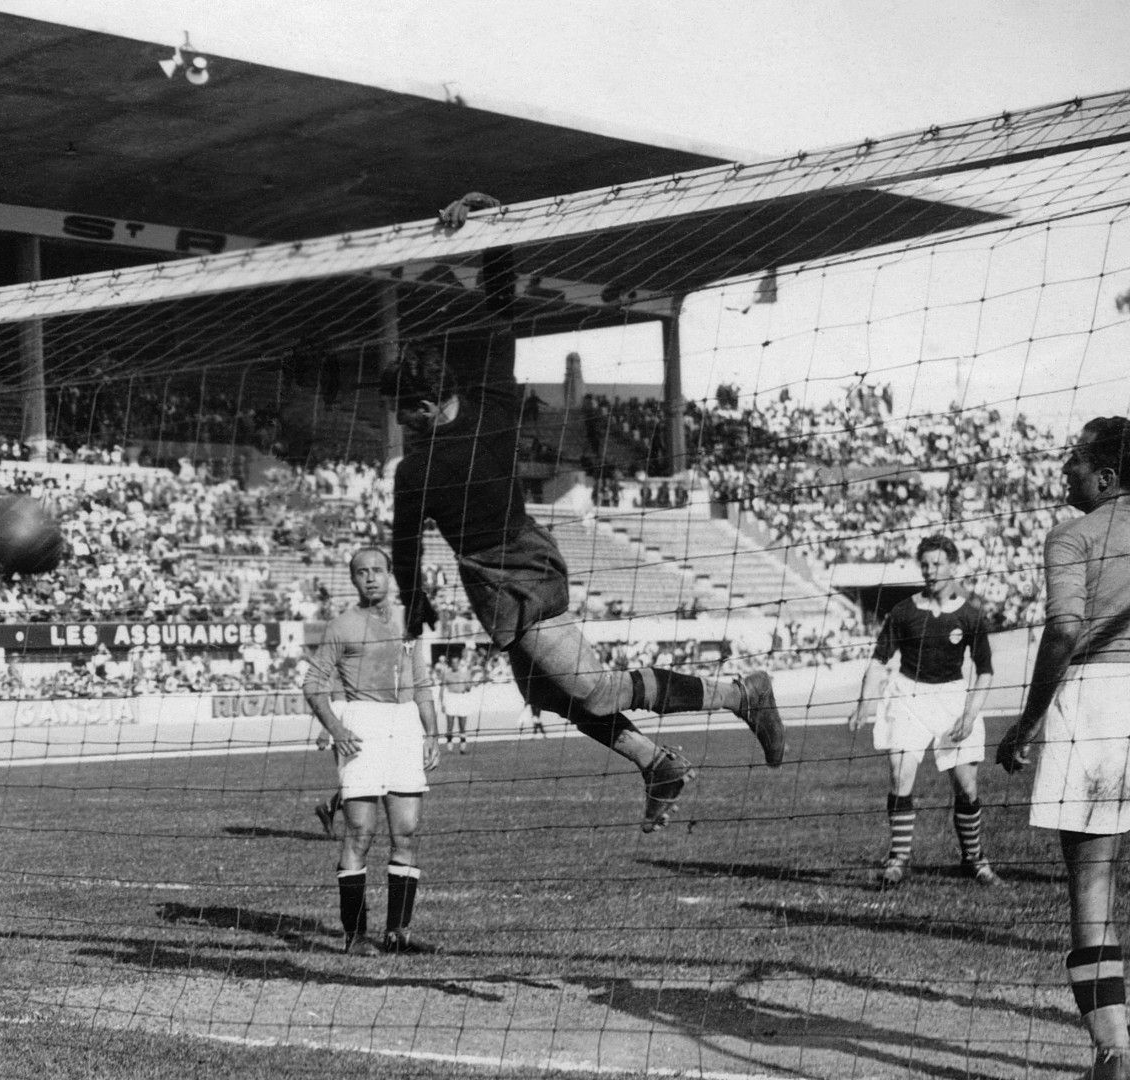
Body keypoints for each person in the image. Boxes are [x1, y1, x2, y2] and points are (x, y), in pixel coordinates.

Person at [383, 192, 786, 834]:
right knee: (548, 694)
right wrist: (412, 601)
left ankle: (740, 695)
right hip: (493, 582)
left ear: (427, 404)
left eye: (403, 411)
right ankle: (657, 764)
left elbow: (501, 311)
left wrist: (492, 232)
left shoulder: (447, 442)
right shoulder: (470, 420)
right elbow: (404, 549)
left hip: (520, 568)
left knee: (593, 688)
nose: (399, 423)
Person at [997, 417, 1130, 1080]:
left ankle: (1114, 1054)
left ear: (1106, 477)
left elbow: (1064, 630)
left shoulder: (1072, 534)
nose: (1064, 471)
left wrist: (1025, 724)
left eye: (1074, 461)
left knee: (1093, 886)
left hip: (1100, 703)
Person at [303, 547, 441, 955]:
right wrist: (337, 727)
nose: (370, 578)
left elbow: (421, 683)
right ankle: (355, 936)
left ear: (390, 574)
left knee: (407, 831)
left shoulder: (408, 621)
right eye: (361, 572)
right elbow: (313, 685)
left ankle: (398, 933)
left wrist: (432, 733)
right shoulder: (342, 625)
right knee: (360, 831)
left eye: (377, 570)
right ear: (353, 579)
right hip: (362, 726)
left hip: (405, 725)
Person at [848, 535, 999, 887]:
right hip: (907, 694)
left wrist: (969, 714)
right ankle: (898, 860)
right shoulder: (903, 612)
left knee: (967, 786)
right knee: (901, 776)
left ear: (952, 566)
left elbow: (986, 670)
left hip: (952, 698)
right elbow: (877, 662)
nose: (931, 571)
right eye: (926, 565)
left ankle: (973, 857)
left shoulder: (969, 615)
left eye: (937, 564)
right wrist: (863, 705)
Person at [440, 653, 474, 753]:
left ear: (459, 663)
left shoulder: (464, 673)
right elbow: (442, 690)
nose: (455, 664)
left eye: (456, 662)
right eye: (453, 663)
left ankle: (462, 746)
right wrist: (442, 703)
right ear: (451, 664)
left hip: (461, 698)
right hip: (451, 698)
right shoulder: (447, 674)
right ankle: (449, 745)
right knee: (450, 724)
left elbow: (469, 688)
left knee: (462, 725)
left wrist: (467, 682)